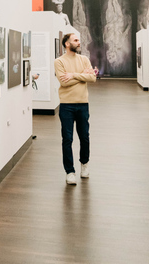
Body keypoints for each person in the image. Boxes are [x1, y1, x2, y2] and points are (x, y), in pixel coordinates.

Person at [54, 33, 97, 185]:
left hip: (83, 104)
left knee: (84, 137)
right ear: (67, 43)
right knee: (67, 139)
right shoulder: (59, 62)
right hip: (66, 105)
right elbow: (63, 82)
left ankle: (84, 164)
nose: (79, 43)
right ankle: (70, 171)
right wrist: (81, 75)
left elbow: (92, 78)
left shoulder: (84, 59)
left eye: (79, 40)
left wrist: (72, 75)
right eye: (76, 40)